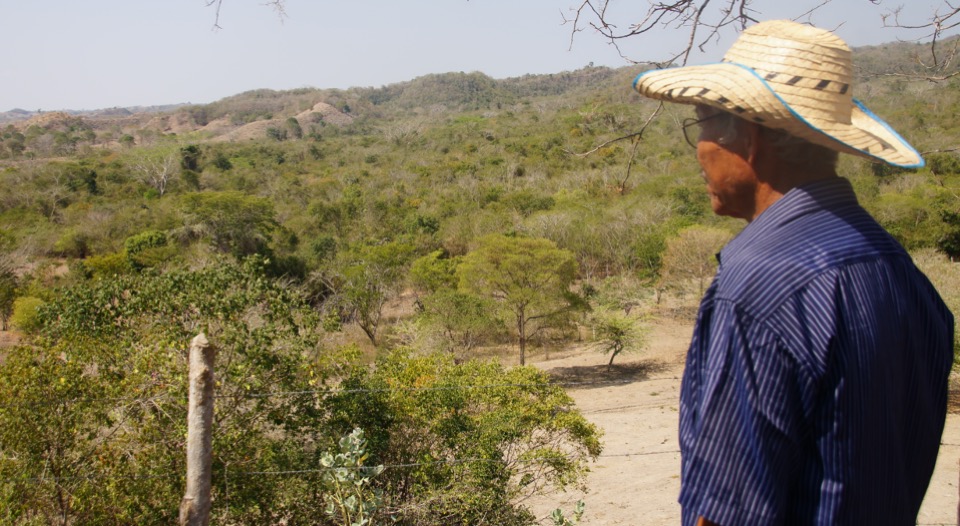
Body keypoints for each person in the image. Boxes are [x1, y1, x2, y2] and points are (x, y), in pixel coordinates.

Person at [632, 19, 955, 525]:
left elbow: (727, 511)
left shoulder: (758, 283)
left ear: (750, 137)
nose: (699, 150)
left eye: (702, 124)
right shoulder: (900, 271)